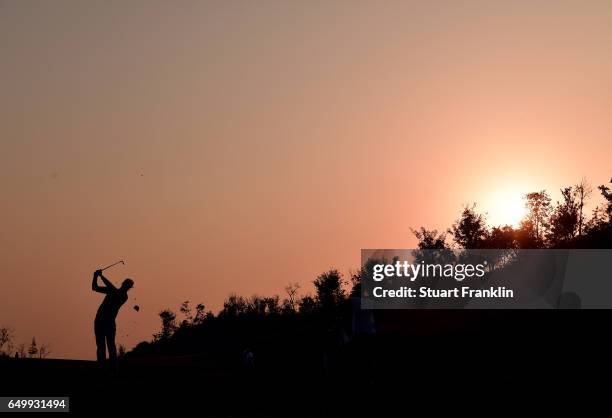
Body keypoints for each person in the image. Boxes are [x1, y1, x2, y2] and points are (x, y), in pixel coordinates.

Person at [92, 269, 134, 366]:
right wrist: (95, 276)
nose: (125, 287)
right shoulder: (112, 290)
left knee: (110, 346)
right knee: (101, 345)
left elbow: (111, 287)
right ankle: (102, 366)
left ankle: (112, 367)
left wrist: (101, 276)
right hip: (99, 321)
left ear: (128, 288)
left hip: (109, 323)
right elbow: (94, 288)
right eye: (126, 285)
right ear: (123, 283)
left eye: (127, 286)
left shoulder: (123, 296)